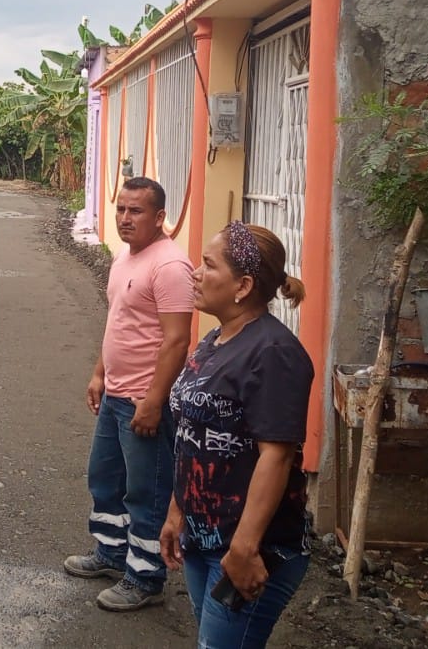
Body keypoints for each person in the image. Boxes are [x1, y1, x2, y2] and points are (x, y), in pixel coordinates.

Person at [159, 221, 315, 649]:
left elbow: (276, 456)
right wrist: (177, 512)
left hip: (248, 549)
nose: (195, 273)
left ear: (243, 286)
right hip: (203, 538)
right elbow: (192, 436)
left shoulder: (274, 353)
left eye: (209, 265)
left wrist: (244, 549)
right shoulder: (216, 339)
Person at [65, 177, 194, 612]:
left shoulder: (170, 266)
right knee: (105, 479)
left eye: (135, 211)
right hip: (115, 395)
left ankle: (145, 577)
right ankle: (112, 553)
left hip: (143, 401)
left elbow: (177, 340)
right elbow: (118, 321)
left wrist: (154, 401)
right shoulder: (125, 257)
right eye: (121, 209)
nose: (124, 218)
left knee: (147, 492)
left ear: (159, 217)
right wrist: (99, 373)